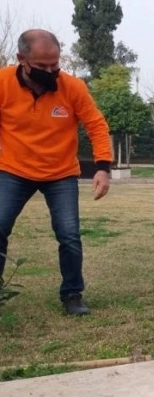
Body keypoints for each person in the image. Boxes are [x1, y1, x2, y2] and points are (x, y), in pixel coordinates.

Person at [0, 30, 112, 316]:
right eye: (42, 67)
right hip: (12, 170)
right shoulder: (2, 84)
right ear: (21, 59)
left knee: (69, 235)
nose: (50, 72)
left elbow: (96, 125)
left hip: (61, 173)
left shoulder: (72, 87)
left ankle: (72, 294)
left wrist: (102, 168)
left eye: (55, 65)